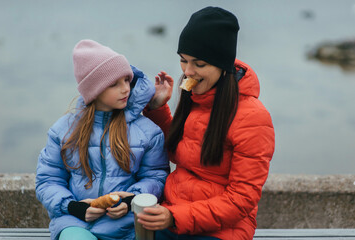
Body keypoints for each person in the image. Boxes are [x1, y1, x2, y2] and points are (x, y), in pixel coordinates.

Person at [138, 6, 275, 240]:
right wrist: (158, 109)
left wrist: (175, 216)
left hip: (222, 230)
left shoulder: (253, 118)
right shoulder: (195, 94)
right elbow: (179, 151)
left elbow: (241, 200)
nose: (188, 72)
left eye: (199, 64)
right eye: (183, 61)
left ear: (222, 66)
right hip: (172, 214)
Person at [35, 39, 169, 240]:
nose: (125, 89)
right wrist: (74, 207)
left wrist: (130, 201)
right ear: (94, 91)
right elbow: (48, 180)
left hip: (128, 226)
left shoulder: (148, 132)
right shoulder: (62, 131)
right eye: (114, 84)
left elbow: (156, 177)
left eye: (126, 80)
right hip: (76, 222)